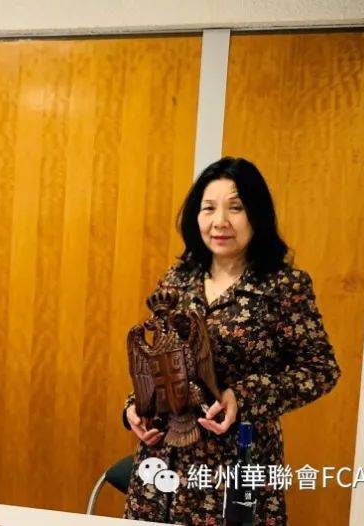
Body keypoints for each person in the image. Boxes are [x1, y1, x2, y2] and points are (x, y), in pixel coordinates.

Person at [122, 157, 340, 525]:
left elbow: (321, 370)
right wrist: (134, 407)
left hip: (238, 458)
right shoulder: (177, 280)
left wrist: (243, 395)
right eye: (208, 208)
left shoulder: (283, 286)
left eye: (235, 208)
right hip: (164, 462)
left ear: (257, 215)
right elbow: (161, 357)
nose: (220, 221)